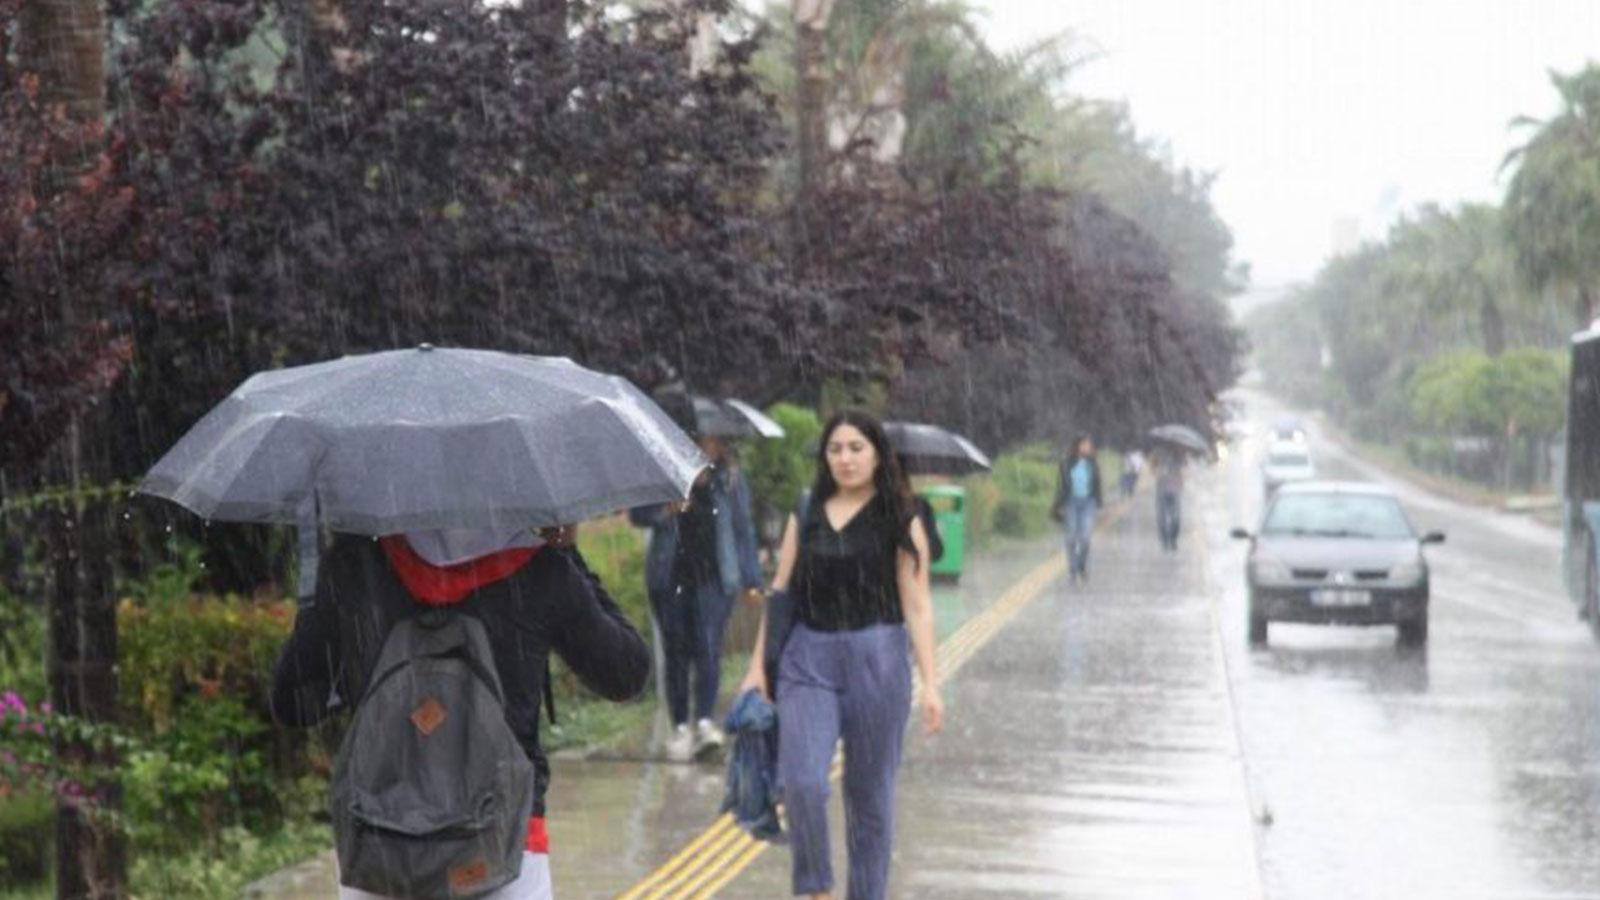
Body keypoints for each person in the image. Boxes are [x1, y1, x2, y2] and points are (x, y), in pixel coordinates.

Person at [270, 525, 651, 899]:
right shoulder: (539, 568)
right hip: (505, 845)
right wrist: (567, 551)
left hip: (379, 846)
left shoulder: (356, 561)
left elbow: (293, 703)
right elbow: (625, 674)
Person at [740, 410, 943, 900]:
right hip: (808, 658)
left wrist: (932, 683)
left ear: (877, 455)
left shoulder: (901, 515)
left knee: (869, 799)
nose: (846, 458)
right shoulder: (807, 508)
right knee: (803, 783)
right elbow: (782, 591)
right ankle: (817, 889)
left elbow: (917, 606)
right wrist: (755, 671)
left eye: (856, 448)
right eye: (835, 449)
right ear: (825, 457)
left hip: (879, 659)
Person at [631, 435, 764, 762]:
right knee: (676, 653)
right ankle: (680, 726)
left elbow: (743, 527)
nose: (707, 444)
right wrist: (667, 509)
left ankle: (704, 721)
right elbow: (638, 514)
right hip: (670, 577)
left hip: (715, 579)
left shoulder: (729, 478)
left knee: (708, 648)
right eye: (700, 438)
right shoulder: (662, 473)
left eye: (713, 440)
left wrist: (752, 579)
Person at [1051, 436, 1102, 583]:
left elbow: (1097, 484)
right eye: (1084, 444)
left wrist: (1098, 503)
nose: (1087, 447)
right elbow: (1060, 485)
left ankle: (1082, 565)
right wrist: (1057, 504)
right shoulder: (1066, 463)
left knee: (1085, 538)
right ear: (1077, 445)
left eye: (1089, 444)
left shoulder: (1093, 464)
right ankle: (1072, 570)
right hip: (1070, 502)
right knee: (1071, 538)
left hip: (1088, 503)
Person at [1154, 448, 1186, 551]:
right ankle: (1164, 541)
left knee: (1176, 518)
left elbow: (1184, 471)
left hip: (1175, 491)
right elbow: (1153, 470)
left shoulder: (1180, 455)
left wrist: (1180, 479)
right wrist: (1159, 471)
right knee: (1162, 518)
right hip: (1162, 491)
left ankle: (1173, 540)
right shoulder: (1158, 454)